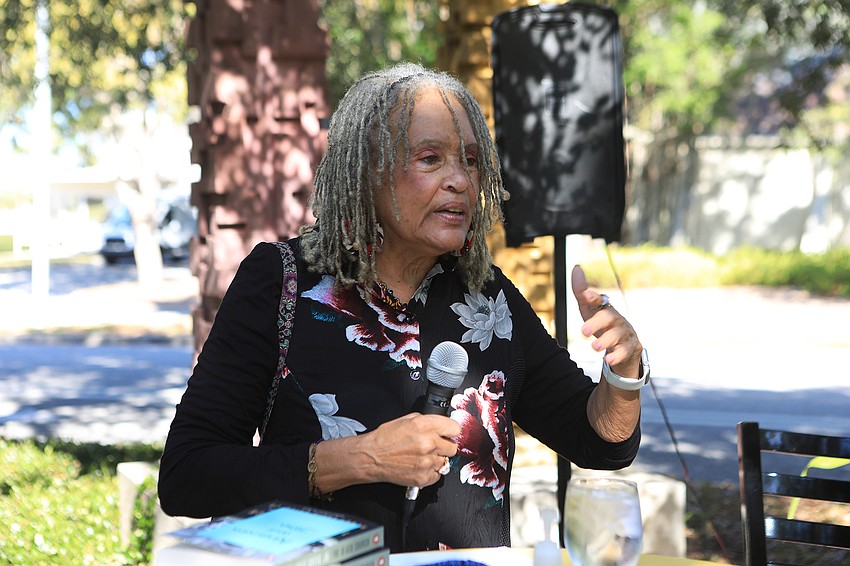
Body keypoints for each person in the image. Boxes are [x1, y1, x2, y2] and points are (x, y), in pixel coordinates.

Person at [158, 62, 646, 552]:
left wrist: (622, 376)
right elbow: (188, 474)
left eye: (472, 160)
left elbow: (599, 443)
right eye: (431, 158)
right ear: (367, 170)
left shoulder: (488, 298)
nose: (460, 180)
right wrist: (359, 458)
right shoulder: (281, 282)